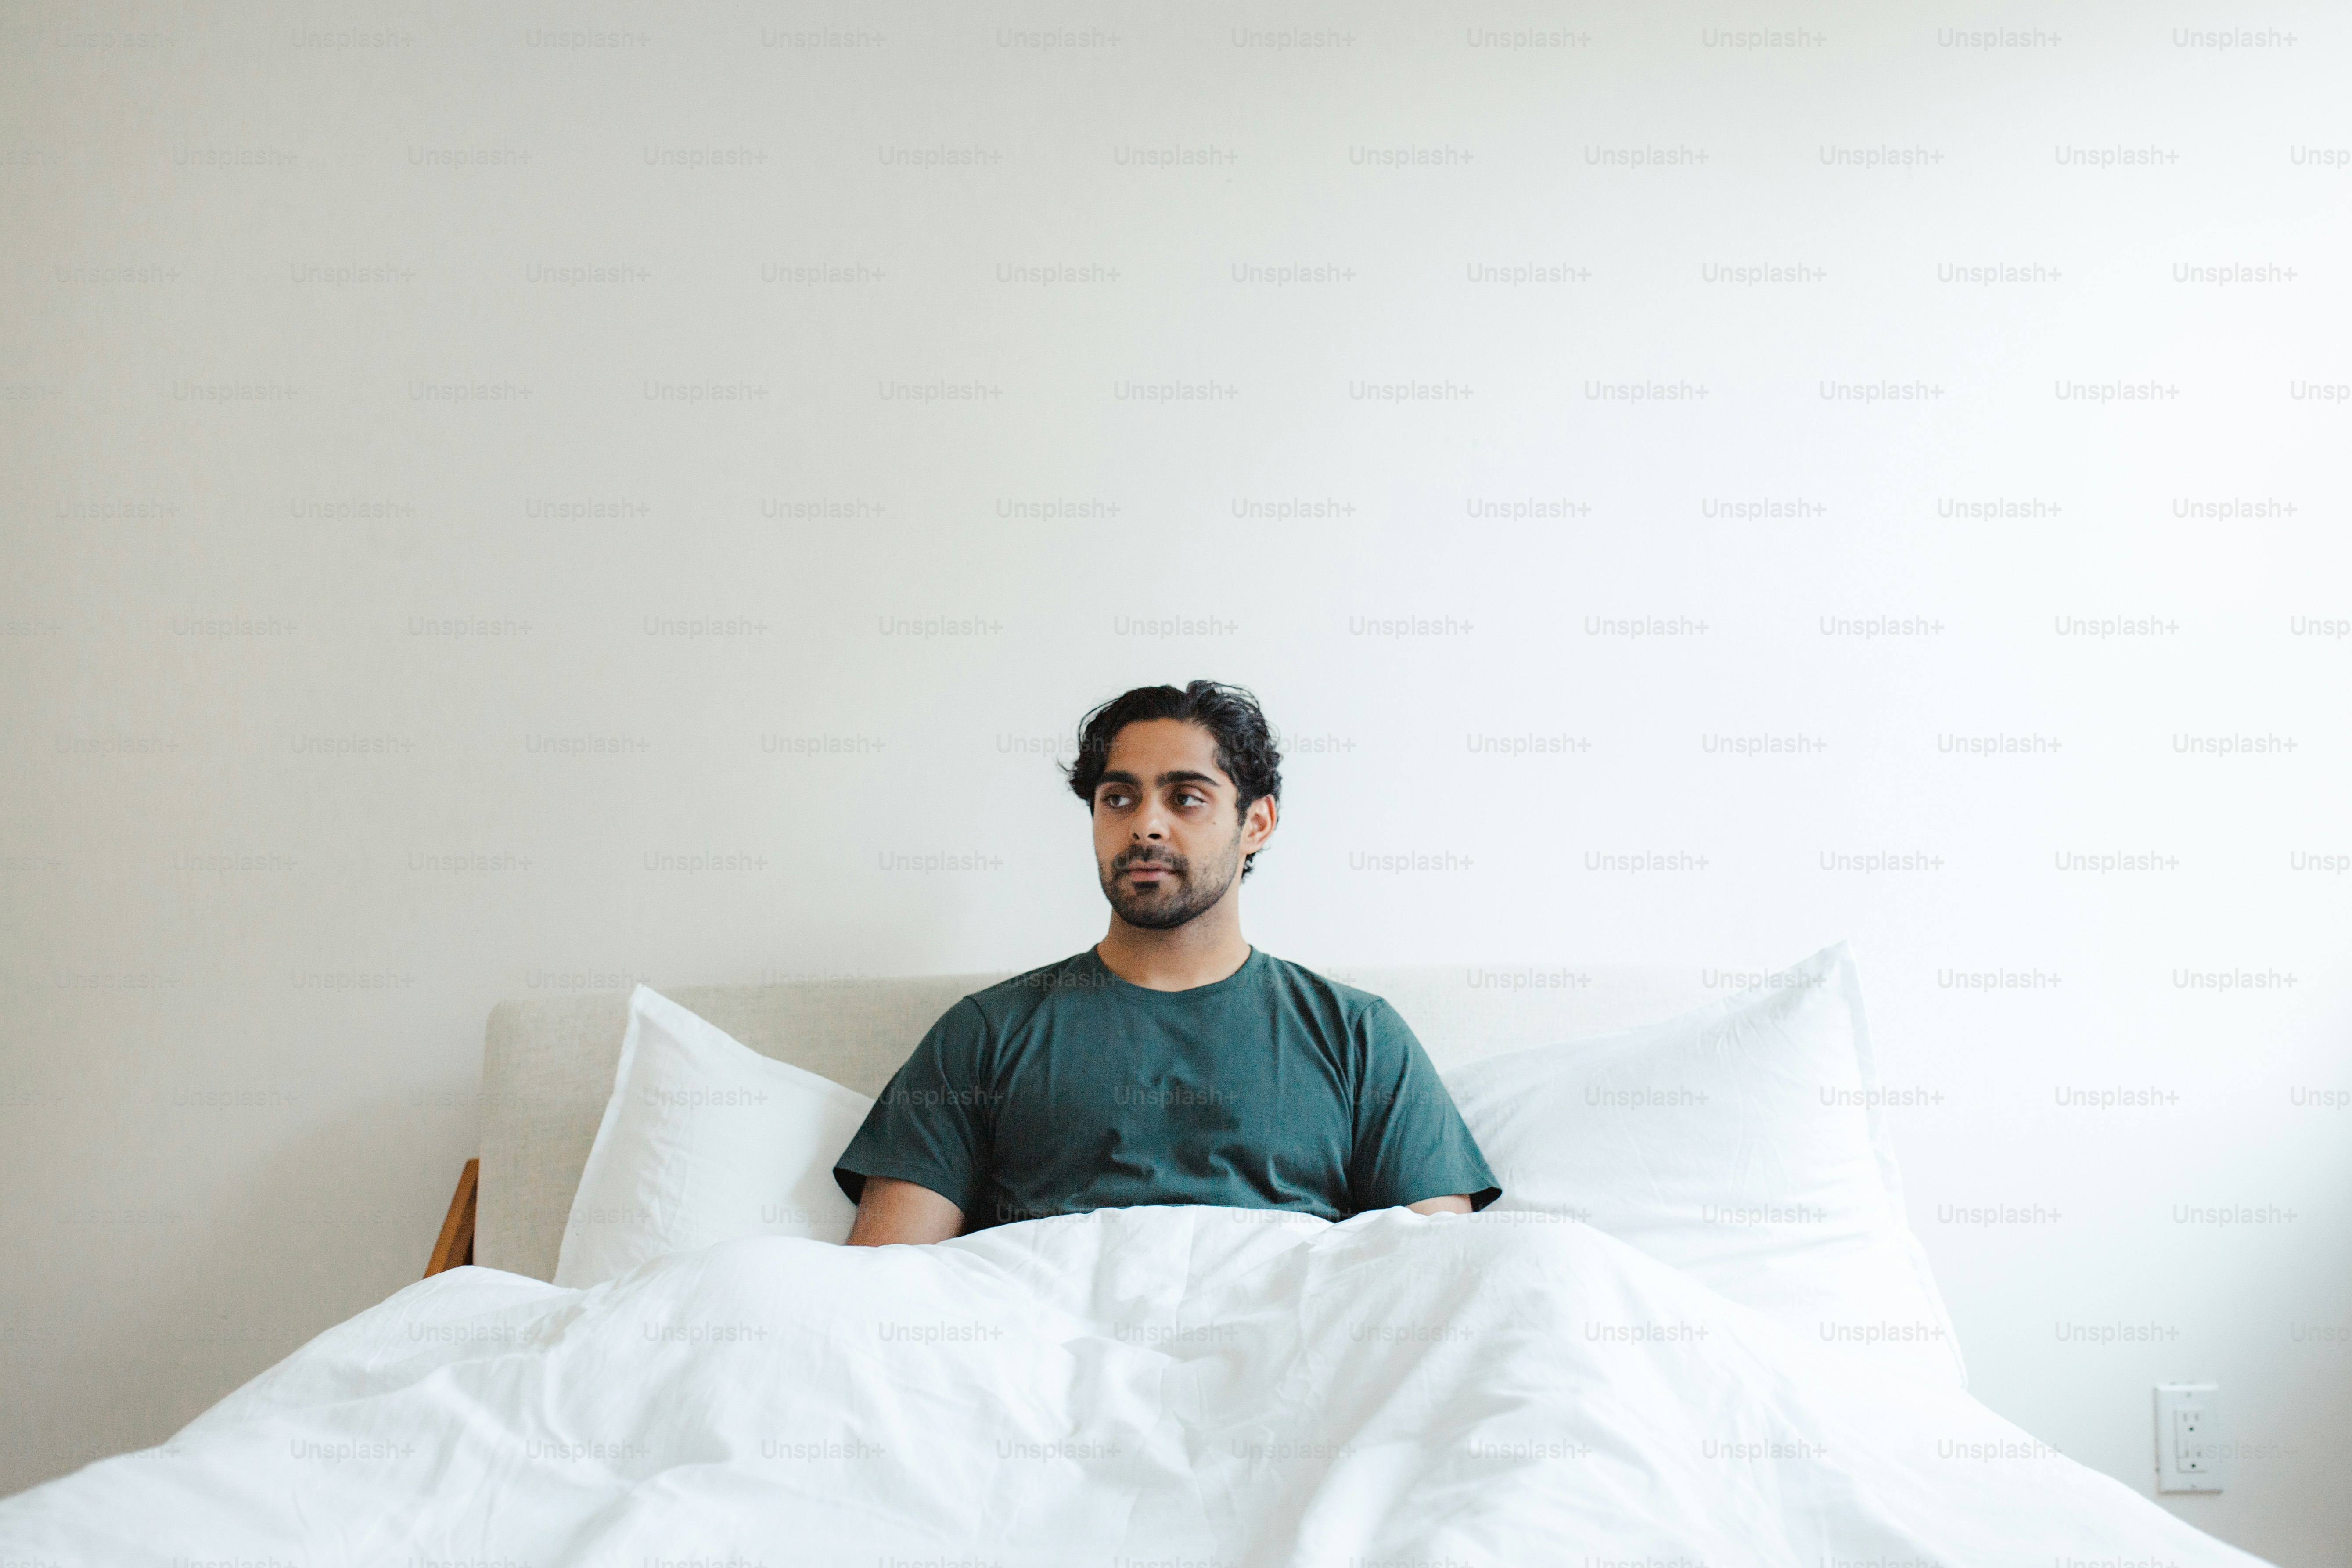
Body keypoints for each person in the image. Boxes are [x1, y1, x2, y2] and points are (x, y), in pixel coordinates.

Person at [834, 680, 1499, 1244]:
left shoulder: (1358, 1034)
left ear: (1256, 823)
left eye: (1186, 798)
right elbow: (883, 1283)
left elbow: (1443, 1274)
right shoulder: (987, 1032)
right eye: (1119, 798)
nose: (1145, 825)